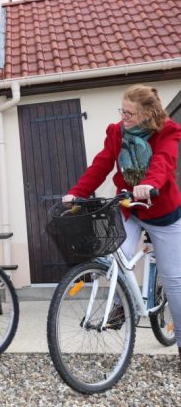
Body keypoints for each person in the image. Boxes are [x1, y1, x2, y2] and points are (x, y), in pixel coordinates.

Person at [61, 84, 181, 367]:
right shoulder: (116, 132)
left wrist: (149, 184)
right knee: (115, 256)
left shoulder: (168, 131)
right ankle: (122, 306)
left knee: (174, 280)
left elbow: (164, 161)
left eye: (129, 113)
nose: (123, 117)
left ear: (147, 114)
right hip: (130, 208)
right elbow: (101, 164)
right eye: (122, 110)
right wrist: (78, 192)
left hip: (162, 211)